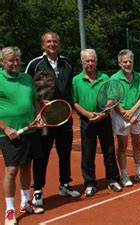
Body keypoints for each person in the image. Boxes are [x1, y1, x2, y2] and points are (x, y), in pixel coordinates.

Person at [25, 32, 79, 206]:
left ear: (59, 44)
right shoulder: (34, 64)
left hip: (64, 117)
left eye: (55, 41)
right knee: (42, 155)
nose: (52, 44)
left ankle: (65, 184)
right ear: (43, 45)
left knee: (65, 152)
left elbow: (71, 87)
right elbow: (27, 90)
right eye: (48, 42)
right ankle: (38, 190)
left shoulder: (68, 63)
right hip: (45, 119)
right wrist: (39, 104)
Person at [0, 47, 44, 225]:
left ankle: (25, 202)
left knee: (26, 166)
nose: (15, 63)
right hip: (8, 134)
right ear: (3, 62)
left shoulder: (26, 78)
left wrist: (39, 115)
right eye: (11, 60)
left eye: (17, 59)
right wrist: (5, 128)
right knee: (11, 170)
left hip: (30, 130)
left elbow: (34, 100)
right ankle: (9, 210)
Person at [72, 49, 123, 197]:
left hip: (104, 119)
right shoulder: (76, 80)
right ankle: (89, 183)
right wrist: (88, 114)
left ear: (96, 61)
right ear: (82, 62)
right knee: (88, 153)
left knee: (109, 150)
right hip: (86, 120)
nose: (90, 63)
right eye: (87, 61)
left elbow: (112, 98)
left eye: (92, 60)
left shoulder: (105, 77)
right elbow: (74, 102)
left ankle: (113, 180)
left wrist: (103, 113)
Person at [110, 49, 140, 187]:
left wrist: (133, 112)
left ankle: (139, 172)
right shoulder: (114, 78)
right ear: (120, 63)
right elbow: (113, 99)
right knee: (122, 146)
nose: (128, 64)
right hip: (120, 116)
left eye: (130, 61)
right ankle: (124, 174)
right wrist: (124, 114)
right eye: (125, 62)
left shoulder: (138, 76)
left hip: (137, 114)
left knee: (137, 145)